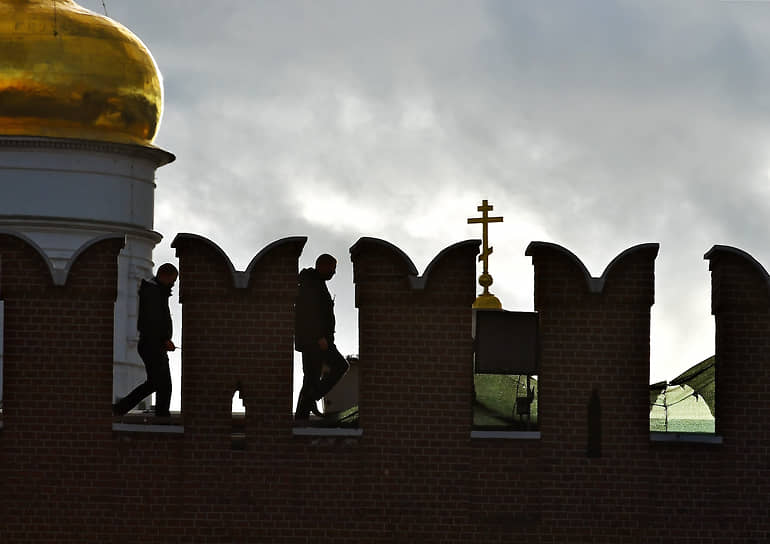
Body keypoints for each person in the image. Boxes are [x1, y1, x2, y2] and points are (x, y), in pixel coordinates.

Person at [113, 263, 178, 418]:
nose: (173, 284)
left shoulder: (154, 291)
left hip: (153, 345)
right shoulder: (154, 292)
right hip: (153, 345)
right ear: (165, 276)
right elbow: (152, 321)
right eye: (173, 279)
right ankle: (160, 416)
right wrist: (164, 339)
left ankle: (121, 408)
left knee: (158, 383)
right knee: (161, 384)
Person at [294, 254, 349, 420]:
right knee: (340, 366)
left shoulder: (315, 282)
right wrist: (320, 337)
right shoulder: (311, 283)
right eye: (332, 268)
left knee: (310, 378)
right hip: (316, 341)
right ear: (323, 266)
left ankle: (301, 417)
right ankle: (312, 397)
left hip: (315, 341)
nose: (334, 273)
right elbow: (308, 313)